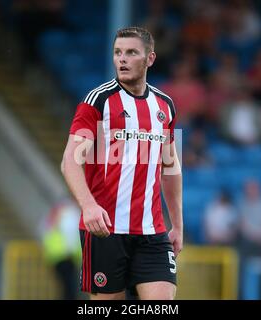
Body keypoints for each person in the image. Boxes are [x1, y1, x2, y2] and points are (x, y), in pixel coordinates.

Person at [61, 27, 182, 300]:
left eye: (131, 53)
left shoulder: (165, 106)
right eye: (118, 53)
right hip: (106, 231)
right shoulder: (97, 100)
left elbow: (171, 168)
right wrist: (89, 205)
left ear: (150, 58)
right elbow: (70, 160)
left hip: (153, 233)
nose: (122, 59)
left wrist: (178, 225)